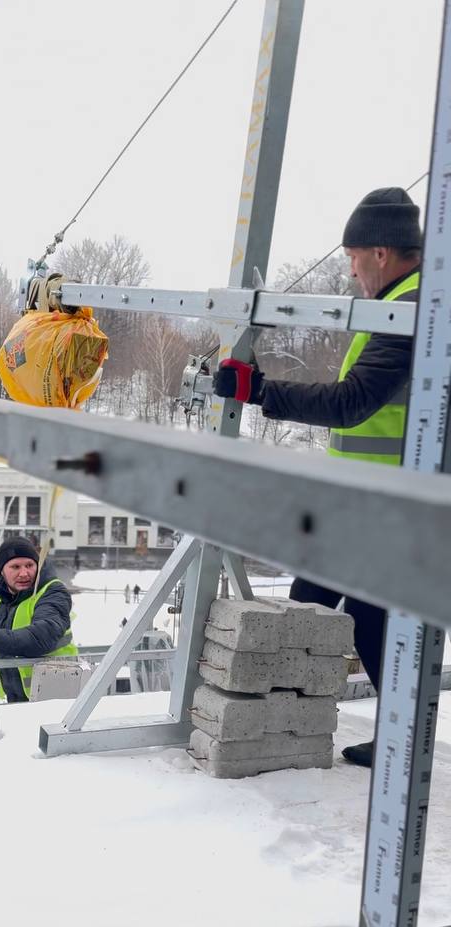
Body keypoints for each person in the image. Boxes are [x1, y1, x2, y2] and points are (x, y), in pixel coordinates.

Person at [212, 188, 421, 769]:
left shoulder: (412, 308)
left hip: (388, 500)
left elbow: (353, 402)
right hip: (366, 497)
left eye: (354, 256)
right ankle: (293, 729)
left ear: (380, 252)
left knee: (337, 611)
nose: (351, 270)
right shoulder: (400, 303)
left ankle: (281, 732)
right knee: (331, 608)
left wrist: (260, 391)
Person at [0, 536, 76, 704]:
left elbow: (43, 636)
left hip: (56, 698)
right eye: (15, 567)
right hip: (14, 698)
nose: (24, 573)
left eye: (30, 565)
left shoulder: (52, 592)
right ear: (2, 570)